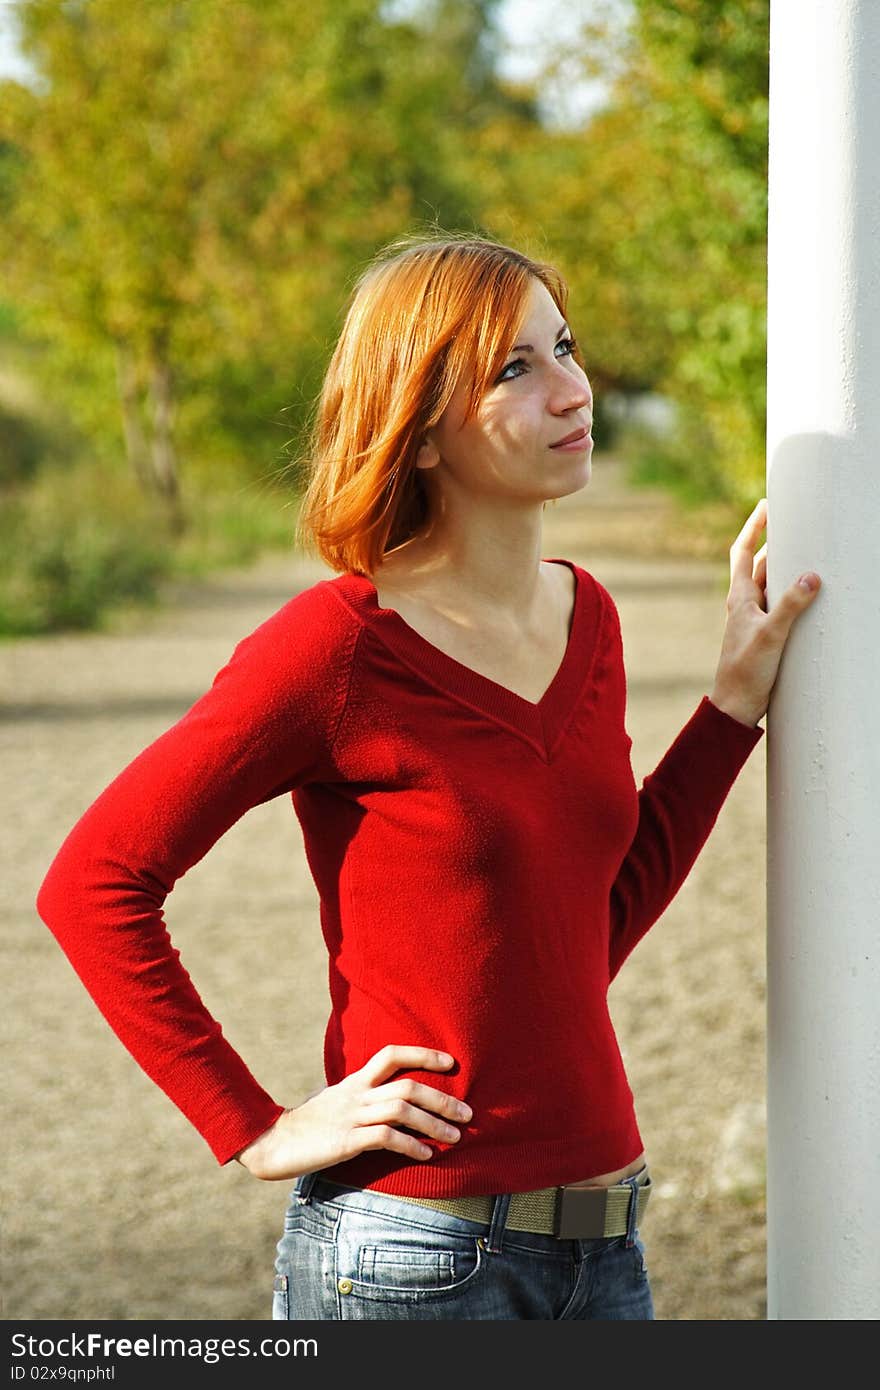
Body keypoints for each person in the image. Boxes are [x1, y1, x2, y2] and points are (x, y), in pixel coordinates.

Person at [36, 233, 822, 1322]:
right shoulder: (333, 650)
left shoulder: (587, 617)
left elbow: (586, 928)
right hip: (407, 1258)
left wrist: (731, 708)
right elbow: (93, 883)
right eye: (514, 369)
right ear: (416, 432)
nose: (571, 389)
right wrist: (254, 1123)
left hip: (606, 1249)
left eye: (565, 346)